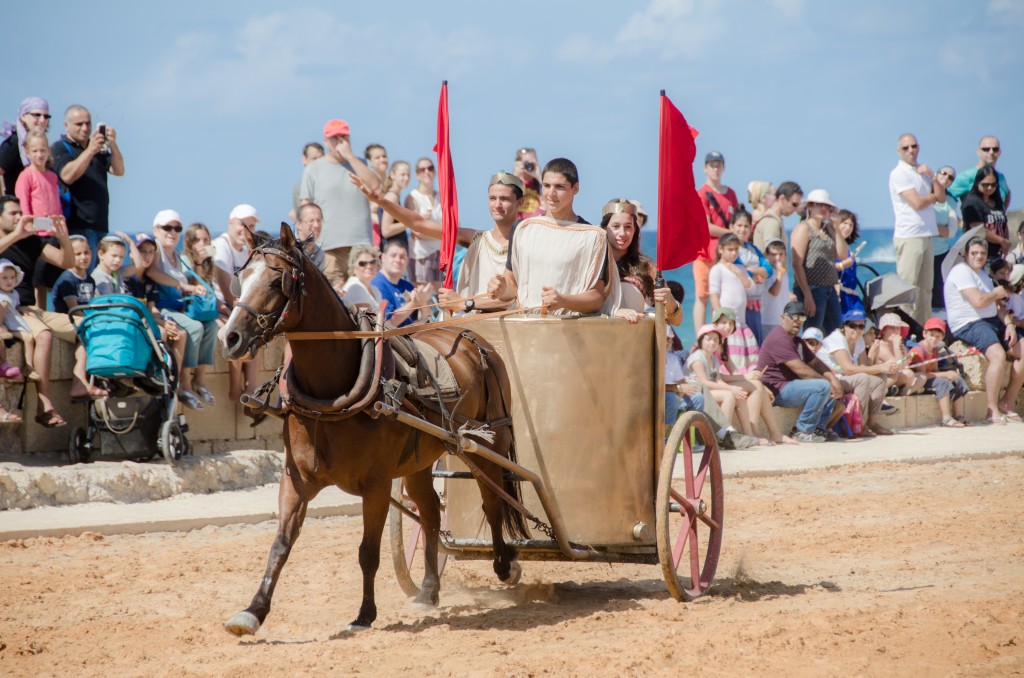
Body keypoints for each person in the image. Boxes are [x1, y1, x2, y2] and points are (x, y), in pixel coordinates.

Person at [353, 170, 522, 314]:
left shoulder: (524, 243)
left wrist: (463, 303)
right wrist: (380, 200)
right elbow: (418, 224)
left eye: (504, 199)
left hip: (513, 329)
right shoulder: (476, 239)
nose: (497, 204)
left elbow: (513, 295)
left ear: (520, 202)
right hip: (473, 328)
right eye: (492, 198)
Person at [0, 197, 101, 426]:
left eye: (21, 213)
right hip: (9, 308)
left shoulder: (32, 241)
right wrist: (16, 234)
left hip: (31, 309)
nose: (19, 217)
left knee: (86, 325)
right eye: (12, 213)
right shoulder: (12, 238)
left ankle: (79, 381)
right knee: (43, 335)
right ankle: (44, 404)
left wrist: (62, 238)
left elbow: (65, 262)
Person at [488, 158, 619, 316]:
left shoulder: (593, 236)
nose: (551, 193)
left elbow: (597, 298)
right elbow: (512, 285)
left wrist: (563, 301)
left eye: (559, 187)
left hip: (570, 331)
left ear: (575, 188)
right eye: (546, 186)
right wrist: (502, 288)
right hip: (525, 329)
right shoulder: (522, 229)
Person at [943, 237, 1024, 424]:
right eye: (974, 253)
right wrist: (997, 292)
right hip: (969, 323)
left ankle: (1007, 401)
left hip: (991, 320)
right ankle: (992, 408)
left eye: (982, 253)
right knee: (997, 356)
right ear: (966, 255)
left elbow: (998, 306)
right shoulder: (960, 271)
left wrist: (1010, 324)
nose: (979, 257)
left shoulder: (984, 276)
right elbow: (979, 302)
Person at [145, 209, 218, 410]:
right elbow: (151, 271)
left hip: (180, 307)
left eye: (177, 228)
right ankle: (184, 382)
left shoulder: (177, 254)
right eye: (167, 227)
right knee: (194, 328)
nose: (173, 232)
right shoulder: (157, 250)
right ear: (156, 230)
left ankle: (199, 380)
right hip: (162, 308)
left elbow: (191, 281)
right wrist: (183, 286)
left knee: (211, 326)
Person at [299, 119, 378, 279]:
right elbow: (306, 206)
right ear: (326, 141)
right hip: (328, 248)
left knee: (362, 301)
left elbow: (375, 187)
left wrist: (350, 157)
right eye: (335, 138)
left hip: (361, 246)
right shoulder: (313, 169)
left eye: (344, 137)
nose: (340, 142)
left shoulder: (362, 164)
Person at [757, 301, 845, 444]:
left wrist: (833, 379)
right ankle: (802, 431)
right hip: (777, 390)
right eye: (793, 316)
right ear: (782, 318)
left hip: (791, 386)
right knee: (823, 387)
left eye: (802, 317)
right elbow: (801, 370)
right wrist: (829, 382)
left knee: (830, 389)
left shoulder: (797, 340)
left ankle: (818, 428)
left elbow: (816, 363)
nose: (798, 321)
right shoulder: (778, 338)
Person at [50, 104, 125, 256]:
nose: (85, 128)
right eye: (79, 124)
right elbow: (67, 176)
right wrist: (90, 150)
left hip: (100, 225)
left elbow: (119, 170)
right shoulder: (61, 148)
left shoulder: (97, 149)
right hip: (77, 226)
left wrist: (113, 145)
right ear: (66, 125)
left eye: (88, 123)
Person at [888, 133, 946, 327]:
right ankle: (905, 333)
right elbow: (917, 203)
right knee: (908, 290)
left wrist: (932, 176)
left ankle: (924, 333)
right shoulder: (899, 173)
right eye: (906, 148)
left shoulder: (921, 171)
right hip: (909, 236)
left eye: (913, 146)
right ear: (899, 151)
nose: (911, 150)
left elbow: (942, 197)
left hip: (926, 235)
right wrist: (931, 197)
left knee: (926, 290)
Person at [813, 309, 895, 436]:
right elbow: (848, 369)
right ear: (845, 326)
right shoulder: (836, 339)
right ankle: (858, 425)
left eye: (861, 326)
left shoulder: (859, 340)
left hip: (845, 378)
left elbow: (865, 366)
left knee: (880, 379)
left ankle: (871, 423)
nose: (857, 330)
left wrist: (874, 354)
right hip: (830, 380)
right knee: (862, 378)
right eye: (853, 326)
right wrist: (881, 367)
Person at [600, 197, 681, 324]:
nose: (622, 233)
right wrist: (613, 311)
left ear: (634, 230)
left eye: (628, 227)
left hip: (636, 340)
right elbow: (582, 307)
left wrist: (670, 301)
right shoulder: (594, 264)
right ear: (604, 228)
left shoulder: (646, 267)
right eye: (615, 226)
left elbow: (676, 320)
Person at [14, 130, 63, 307]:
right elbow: (24, 207)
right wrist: (32, 227)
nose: (39, 154)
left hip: (51, 232)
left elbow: (55, 204)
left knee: (51, 277)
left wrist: (58, 227)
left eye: (42, 150)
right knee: (38, 281)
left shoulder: (51, 176)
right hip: (37, 234)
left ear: (48, 151)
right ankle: (38, 311)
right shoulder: (26, 175)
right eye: (35, 151)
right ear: (27, 152)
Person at [791, 189, 847, 335]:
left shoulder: (828, 229)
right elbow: (797, 264)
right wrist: (807, 295)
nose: (823, 209)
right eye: (818, 205)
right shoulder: (804, 228)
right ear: (809, 206)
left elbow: (842, 254)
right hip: (812, 288)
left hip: (829, 289)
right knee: (813, 334)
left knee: (835, 334)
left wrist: (837, 228)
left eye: (826, 206)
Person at [693, 151, 738, 328]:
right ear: (705, 168)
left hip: (728, 253)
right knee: (703, 295)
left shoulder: (731, 194)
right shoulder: (702, 194)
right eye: (712, 165)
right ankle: (700, 337)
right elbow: (706, 226)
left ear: (723, 167)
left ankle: (722, 335)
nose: (715, 168)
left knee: (723, 296)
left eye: (718, 164)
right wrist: (730, 233)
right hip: (706, 252)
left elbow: (737, 222)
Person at [908, 318, 970, 428]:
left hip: (929, 378)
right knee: (943, 382)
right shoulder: (918, 350)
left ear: (942, 337)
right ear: (924, 334)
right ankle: (946, 418)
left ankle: (959, 415)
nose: (934, 339)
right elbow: (923, 375)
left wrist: (949, 375)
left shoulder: (935, 350)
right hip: (918, 381)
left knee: (958, 380)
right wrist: (945, 375)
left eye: (938, 336)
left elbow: (935, 371)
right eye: (931, 335)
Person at [709, 232, 758, 373]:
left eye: (736, 249)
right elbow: (714, 295)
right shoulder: (717, 269)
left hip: (741, 322)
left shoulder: (740, 268)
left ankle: (746, 377)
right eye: (730, 250)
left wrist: (739, 272)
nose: (734, 253)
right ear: (721, 250)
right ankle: (734, 378)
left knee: (746, 356)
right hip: (727, 324)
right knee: (731, 356)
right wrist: (720, 320)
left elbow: (751, 288)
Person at [728, 206, 772, 344]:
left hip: (755, 303)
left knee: (756, 340)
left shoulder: (752, 248)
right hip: (739, 303)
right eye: (739, 225)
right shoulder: (730, 250)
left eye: (746, 226)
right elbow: (735, 268)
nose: (743, 229)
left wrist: (752, 270)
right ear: (731, 227)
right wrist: (754, 271)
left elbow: (769, 270)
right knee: (739, 342)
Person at [371, 240, 432, 327]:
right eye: (393, 255)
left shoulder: (407, 286)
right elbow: (387, 325)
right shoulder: (377, 284)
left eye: (402, 257)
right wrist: (415, 302)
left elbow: (427, 321)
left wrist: (423, 302)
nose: (398, 260)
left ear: (407, 260)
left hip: (411, 337)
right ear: (383, 257)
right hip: (391, 339)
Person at [404, 156, 443, 288]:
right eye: (422, 169)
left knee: (443, 293)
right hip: (421, 254)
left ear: (435, 172)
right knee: (422, 295)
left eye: (430, 168)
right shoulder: (413, 197)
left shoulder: (441, 197)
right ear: (417, 175)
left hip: (440, 252)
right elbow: (416, 231)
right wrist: (442, 234)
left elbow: (455, 224)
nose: (427, 171)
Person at [0, 97, 51, 196]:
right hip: (19, 206)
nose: (42, 120)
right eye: (37, 115)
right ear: (23, 116)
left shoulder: (43, 144)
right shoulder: (14, 142)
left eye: (46, 116)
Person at [212, 204, 258, 310]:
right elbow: (228, 296)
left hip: (237, 305)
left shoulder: (246, 251)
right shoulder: (220, 246)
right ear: (230, 223)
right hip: (221, 308)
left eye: (251, 226)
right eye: (242, 224)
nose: (246, 230)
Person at [961, 166, 1009, 262]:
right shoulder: (972, 203)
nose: (990, 187)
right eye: (985, 184)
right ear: (977, 183)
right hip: (979, 255)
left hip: (998, 255)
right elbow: (978, 230)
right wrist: (1002, 241)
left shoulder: (997, 201)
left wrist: (1006, 243)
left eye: (993, 184)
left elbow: (1003, 224)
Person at [949, 136, 1010, 208]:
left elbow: (1007, 193)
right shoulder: (966, 176)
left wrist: (1002, 213)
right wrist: (955, 218)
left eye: (995, 149)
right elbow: (946, 195)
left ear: (999, 152)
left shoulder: (1000, 177)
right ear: (978, 152)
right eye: (986, 149)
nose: (991, 152)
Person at [931, 166, 961, 310]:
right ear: (936, 174)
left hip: (940, 253)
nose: (946, 178)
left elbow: (952, 231)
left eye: (951, 177)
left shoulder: (951, 201)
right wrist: (939, 229)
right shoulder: (924, 193)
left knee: (939, 291)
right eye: (944, 173)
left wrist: (930, 229)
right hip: (922, 250)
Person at [874, 313, 926, 396]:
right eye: (892, 328)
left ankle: (906, 391)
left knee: (922, 376)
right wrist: (896, 347)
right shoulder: (880, 345)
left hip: (900, 375)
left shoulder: (898, 345)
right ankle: (892, 389)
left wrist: (904, 353)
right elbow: (899, 366)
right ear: (883, 330)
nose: (895, 331)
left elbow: (905, 365)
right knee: (908, 374)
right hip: (887, 377)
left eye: (897, 328)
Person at [752, 181, 802, 253]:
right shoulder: (772, 222)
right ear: (782, 199)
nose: (796, 209)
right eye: (794, 204)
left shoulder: (774, 220)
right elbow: (773, 255)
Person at [833, 209, 866, 316]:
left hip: (852, 298)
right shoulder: (830, 244)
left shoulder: (847, 248)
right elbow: (824, 268)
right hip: (839, 297)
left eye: (851, 225)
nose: (847, 228)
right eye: (845, 223)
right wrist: (843, 265)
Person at [52, 235, 95, 313]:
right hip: (68, 321)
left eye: (86, 253)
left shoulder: (90, 280)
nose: (83, 257)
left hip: (85, 319)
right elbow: (75, 311)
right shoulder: (67, 280)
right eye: (78, 254)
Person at [761, 238, 791, 338]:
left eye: (781, 254)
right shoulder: (767, 271)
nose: (777, 258)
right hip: (768, 320)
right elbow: (774, 292)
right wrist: (779, 274)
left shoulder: (783, 272)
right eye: (773, 255)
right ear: (767, 256)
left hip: (782, 319)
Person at [379, 161, 411, 250]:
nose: (406, 178)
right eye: (403, 174)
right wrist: (411, 223)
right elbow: (386, 230)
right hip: (391, 250)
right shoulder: (392, 197)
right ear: (392, 175)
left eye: (408, 175)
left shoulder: (394, 196)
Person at [289, 142, 324, 222]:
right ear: (304, 159)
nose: (318, 163)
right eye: (314, 159)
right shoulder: (300, 188)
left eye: (321, 159)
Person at [340, 245, 384, 310]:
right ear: (353, 268)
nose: (369, 266)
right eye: (363, 264)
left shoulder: (375, 290)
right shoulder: (354, 287)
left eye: (372, 262)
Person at [364, 144, 389, 246]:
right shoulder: (367, 184)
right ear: (369, 162)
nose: (382, 159)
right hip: (374, 234)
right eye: (377, 157)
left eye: (384, 156)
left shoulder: (391, 182)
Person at [295, 202, 327, 272]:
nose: (316, 225)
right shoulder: (288, 249)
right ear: (299, 224)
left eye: (318, 220)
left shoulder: (320, 254)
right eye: (311, 221)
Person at [513, 147, 543, 220]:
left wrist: (540, 177)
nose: (529, 166)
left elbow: (549, 196)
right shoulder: (515, 182)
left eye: (533, 163)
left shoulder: (540, 183)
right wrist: (515, 175)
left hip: (537, 221)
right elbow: (508, 196)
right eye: (527, 163)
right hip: (518, 222)